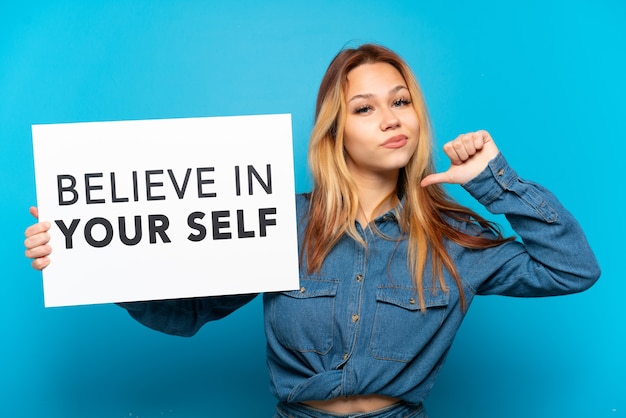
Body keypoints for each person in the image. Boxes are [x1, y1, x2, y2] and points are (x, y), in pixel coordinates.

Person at [24, 44, 600, 418]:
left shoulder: (450, 239)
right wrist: (83, 255)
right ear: (335, 130)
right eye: (365, 108)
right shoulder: (278, 221)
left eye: (401, 101)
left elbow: (573, 267)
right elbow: (187, 311)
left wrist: (493, 182)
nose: (391, 118)